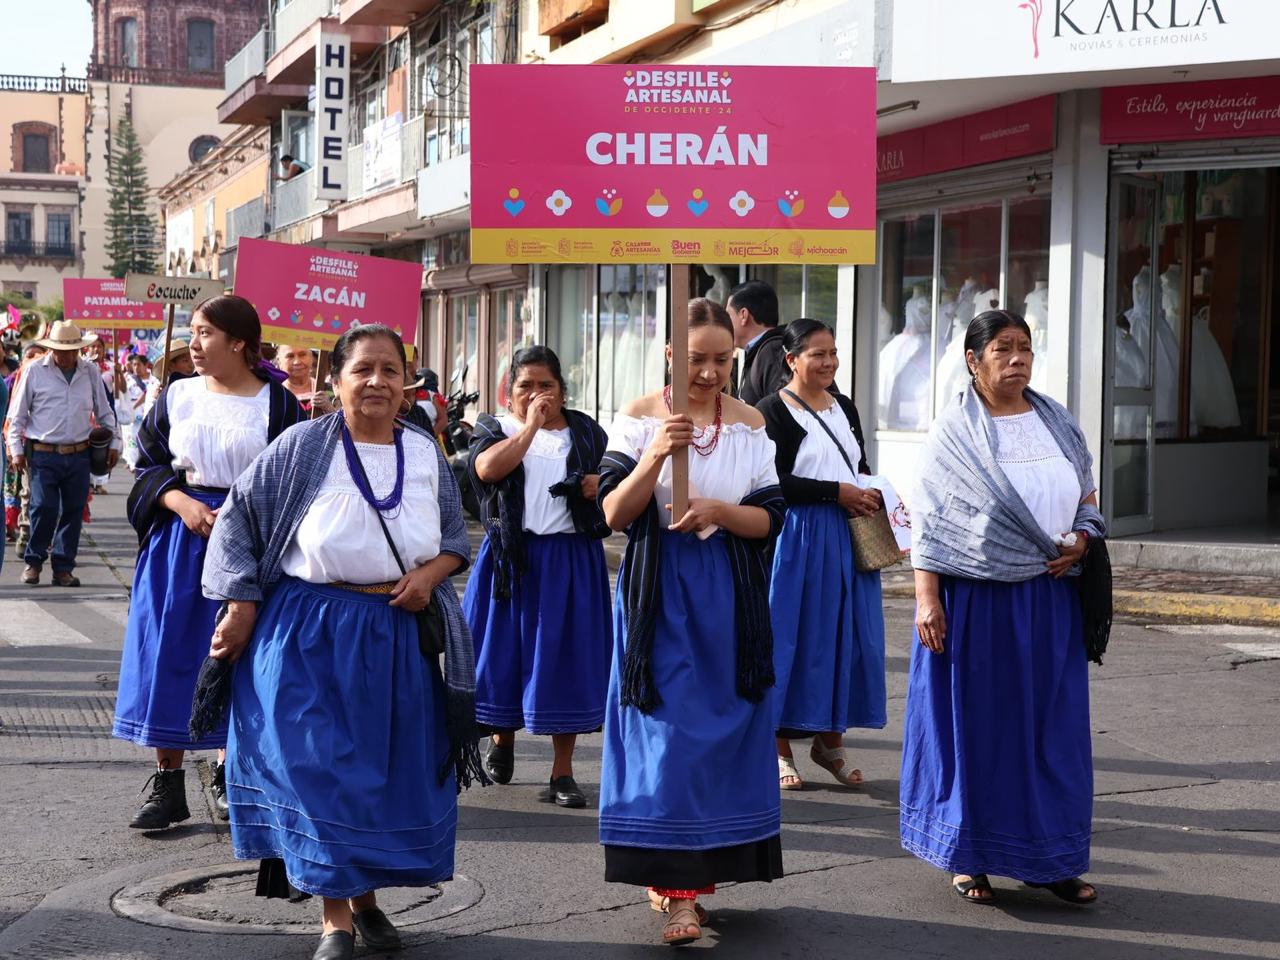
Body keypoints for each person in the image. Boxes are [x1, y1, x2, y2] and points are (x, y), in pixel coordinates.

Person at [202, 323, 485, 960]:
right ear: (337, 379)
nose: (377, 382)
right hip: (307, 633)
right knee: (318, 769)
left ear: (408, 383)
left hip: (395, 635)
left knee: (378, 774)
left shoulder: (424, 452)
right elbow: (239, 521)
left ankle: (365, 900)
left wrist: (428, 575)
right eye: (363, 370)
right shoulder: (301, 448)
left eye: (390, 370)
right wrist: (241, 603)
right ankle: (336, 920)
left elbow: (453, 542)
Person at [902, 309, 1106, 907]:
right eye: (1003, 349)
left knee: (1050, 732)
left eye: (1025, 348)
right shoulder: (955, 433)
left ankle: (1052, 860)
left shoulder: (1058, 422)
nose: (1016, 359)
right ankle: (971, 858)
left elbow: (1087, 494)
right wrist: (927, 601)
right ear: (974, 360)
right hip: (978, 604)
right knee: (981, 732)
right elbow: (933, 524)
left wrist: (1084, 537)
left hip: (1050, 600)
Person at [598, 298, 785, 946]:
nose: (709, 373)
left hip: (728, 597)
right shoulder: (639, 417)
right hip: (659, 595)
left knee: (721, 738)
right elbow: (613, 515)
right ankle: (678, 896)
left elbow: (769, 519)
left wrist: (717, 509)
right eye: (697, 359)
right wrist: (655, 457)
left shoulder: (750, 423)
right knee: (668, 739)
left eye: (721, 360)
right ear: (671, 356)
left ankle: (697, 876)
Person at [113, 296, 305, 830]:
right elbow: (148, 465)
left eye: (204, 334)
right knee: (169, 653)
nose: (193, 345)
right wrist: (182, 503)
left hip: (251, 545)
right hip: (179, 543)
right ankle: (167, 782)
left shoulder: (279, 405)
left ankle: (227, 774)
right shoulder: (177, 396)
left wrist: (245, 517)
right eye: (194, 333)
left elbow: (295, 478)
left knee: (234, 655)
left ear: (239, 343)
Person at [464, 345, 612, 807]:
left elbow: (617, 479)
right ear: (510, 392)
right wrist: (530, 426)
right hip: (510, 559)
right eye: (525, 386)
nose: (536, 394)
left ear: (562, 391)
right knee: (502, 657)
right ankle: (502, 739)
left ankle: (562, 772)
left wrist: (599, 484)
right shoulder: (495, 427)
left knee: (562, 662)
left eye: (545, 385)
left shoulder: (586, 431)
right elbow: (487, 471)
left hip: (571, 559)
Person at [757, 320, 887, 791]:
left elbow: (860, 464)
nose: (829, 362)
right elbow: (771, 480)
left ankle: (830, 741)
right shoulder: (771, 411)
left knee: (847, 642)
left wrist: (871, 491)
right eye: (817, 354)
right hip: (798, 538)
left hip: (848, 537)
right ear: (791, 360)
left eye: (833, 353)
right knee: (791, 640)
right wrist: (837, 492)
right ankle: (777, 747)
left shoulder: (844, 407)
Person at [5, 321, 119, 587]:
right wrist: (16, 451)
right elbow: (17, 417)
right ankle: (34, 562)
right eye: (61, 350)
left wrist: (114, 444)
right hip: (43, 454)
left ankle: (63, 567)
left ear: (79, 349)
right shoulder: (34, 371)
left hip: (80, 454)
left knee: (73, 511)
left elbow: (105, 413)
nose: (66, 356)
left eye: (72, 350)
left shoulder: (90, 372)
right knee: (43, 508)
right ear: (51, 348)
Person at [727, 280, 786, 406]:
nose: (725, 324)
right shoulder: (763, 351)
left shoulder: (773, 352)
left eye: (728, 316)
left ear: (744, 315)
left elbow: (781, 413)